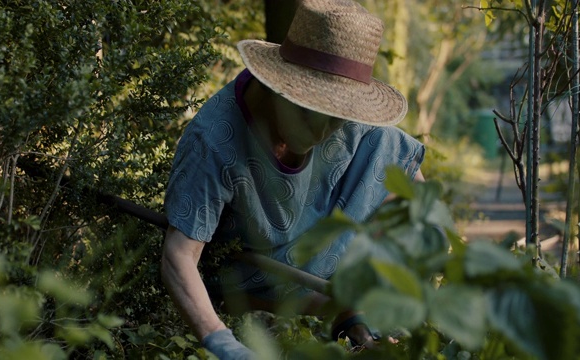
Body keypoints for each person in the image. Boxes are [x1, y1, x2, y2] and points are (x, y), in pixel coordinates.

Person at [161, 0, 425, 358]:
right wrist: (225, 345)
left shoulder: (345, 123)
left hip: (320, 253)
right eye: (310, 109)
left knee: (394, 152)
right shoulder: (215, 139)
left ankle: (356, 316)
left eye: (336, 116)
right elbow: (179, 256)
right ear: (278, 86)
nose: (321, 130)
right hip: (251, 271)